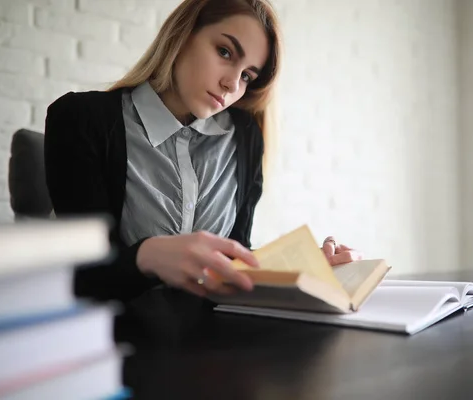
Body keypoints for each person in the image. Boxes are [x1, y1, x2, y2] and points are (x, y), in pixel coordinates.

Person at [44, 0, 362, 303]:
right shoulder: (79, 118)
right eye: (225, 51)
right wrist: (147, 255)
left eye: (247, 76)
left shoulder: (245, 136)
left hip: (215, 344)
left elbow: (234, 262)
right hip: (116, 342)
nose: (231, 84)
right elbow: (83, 277)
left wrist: (302, 273)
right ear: (182, 35)